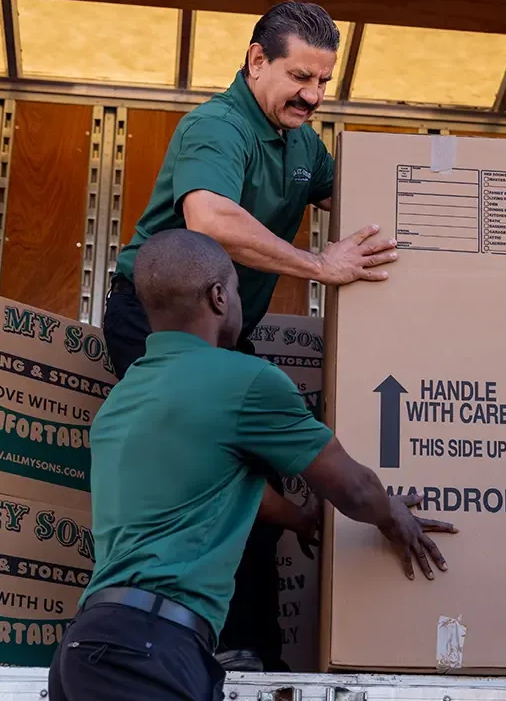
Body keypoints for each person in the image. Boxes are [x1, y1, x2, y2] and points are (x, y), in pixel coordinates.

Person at [103, 0, 397, 671]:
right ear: (256, 60)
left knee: (253, 472)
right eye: (300, 77)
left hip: (224, 331)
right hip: (158, 322)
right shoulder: (218, 126)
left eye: (325, 81)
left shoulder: (300, 142)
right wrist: (321, 266)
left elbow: (361, 194)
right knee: (214, 474)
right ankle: (202, 643)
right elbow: (209, 217)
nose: (314, 95)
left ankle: (251, 653)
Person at [48, 229, 454, 701]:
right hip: (153, 649)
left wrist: (301, 519)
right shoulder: (245, 380)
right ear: (219, 297)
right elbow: (356, 490)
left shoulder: (124, 399)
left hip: (86, 648)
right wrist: (393, 515)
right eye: (238, 290)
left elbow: (220, 486)